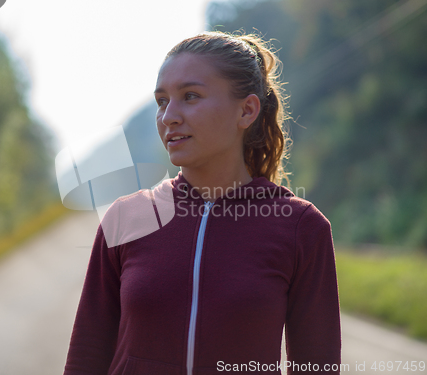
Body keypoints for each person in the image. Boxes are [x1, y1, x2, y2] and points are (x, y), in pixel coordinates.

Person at [63, 31, 341, 375]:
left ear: (247, 110)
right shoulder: (126, 218)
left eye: (190, 96)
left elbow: (317, 367)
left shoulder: (302, 228)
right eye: (162, 101)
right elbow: (86, 356)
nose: (168, 117)